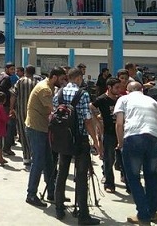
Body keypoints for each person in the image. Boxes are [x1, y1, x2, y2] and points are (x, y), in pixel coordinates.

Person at [114, 81, 157, 225]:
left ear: (128, 91)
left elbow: (119, 124)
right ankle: (152, 212)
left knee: (133, 178)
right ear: (142, 90)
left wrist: (120, 143)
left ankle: (143, 216)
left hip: (134, 137)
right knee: (151, 175)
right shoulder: (152, 101)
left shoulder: (123, 99)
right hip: (155, 138)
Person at [52, 68, 101, 225]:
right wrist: (96, 141)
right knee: (81, 176)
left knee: (62, 173)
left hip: (63, 138)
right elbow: (87, 120)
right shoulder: (83, 94)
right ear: (79, 78)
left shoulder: (58, 93)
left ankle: (59, 208)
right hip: (80, 139)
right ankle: (83, 215)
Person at [24, 67, 67, 207]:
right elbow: (52, 110)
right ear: (54, 77)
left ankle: (52, 193)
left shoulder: (49, 87)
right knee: (38, 162)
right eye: (62, 79)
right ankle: (31, 194)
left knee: (49, 162)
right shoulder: (45, 89)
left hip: (42, 128)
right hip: (36, 128)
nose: (63, 82)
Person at [90, 77, 122, 193]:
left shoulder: (120, 99)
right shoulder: (102, 99)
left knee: (122, 158)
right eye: (116, 87)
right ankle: (109, 183)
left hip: (121, 132)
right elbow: (91, 106)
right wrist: (98, 121)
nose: (119, 90)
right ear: (109, 87)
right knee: (109, 158)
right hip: (108, 132)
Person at [12, 65, 37, 168]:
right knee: (35, 134)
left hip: (21, 111)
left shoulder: (20, 81)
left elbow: (13, 95)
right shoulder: (37, 82)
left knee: (22, 133)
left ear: (25, 71)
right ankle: (34, 156)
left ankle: (26, 157)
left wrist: (11, 109)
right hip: (34, 113)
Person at [0, 62, 17, 156]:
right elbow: (2, 89)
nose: (13, 71)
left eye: (14, 69)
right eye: (11, 69)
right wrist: (9, 96)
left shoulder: (2, 75)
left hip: (2, 105)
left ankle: (2, 149)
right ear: (6, 69)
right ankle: (6, 148)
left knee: (4, 127)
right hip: (6, 106)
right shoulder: (7, 78)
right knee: (9, 127)